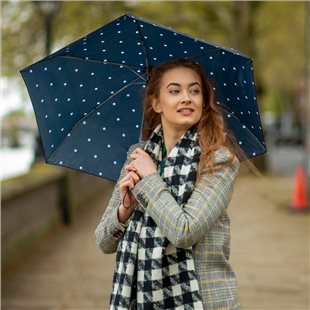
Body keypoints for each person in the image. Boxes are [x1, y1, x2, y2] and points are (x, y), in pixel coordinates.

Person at [94, 58, 243, 309]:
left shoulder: (219, 159)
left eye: (194, 90)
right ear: (156, 103)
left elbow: (185, 232)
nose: (186, 97)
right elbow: (103, 241)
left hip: (202, 301)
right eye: (174, 91)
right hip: (140, 300)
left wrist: (150, 179)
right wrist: (125, 210)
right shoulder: (138, 155)